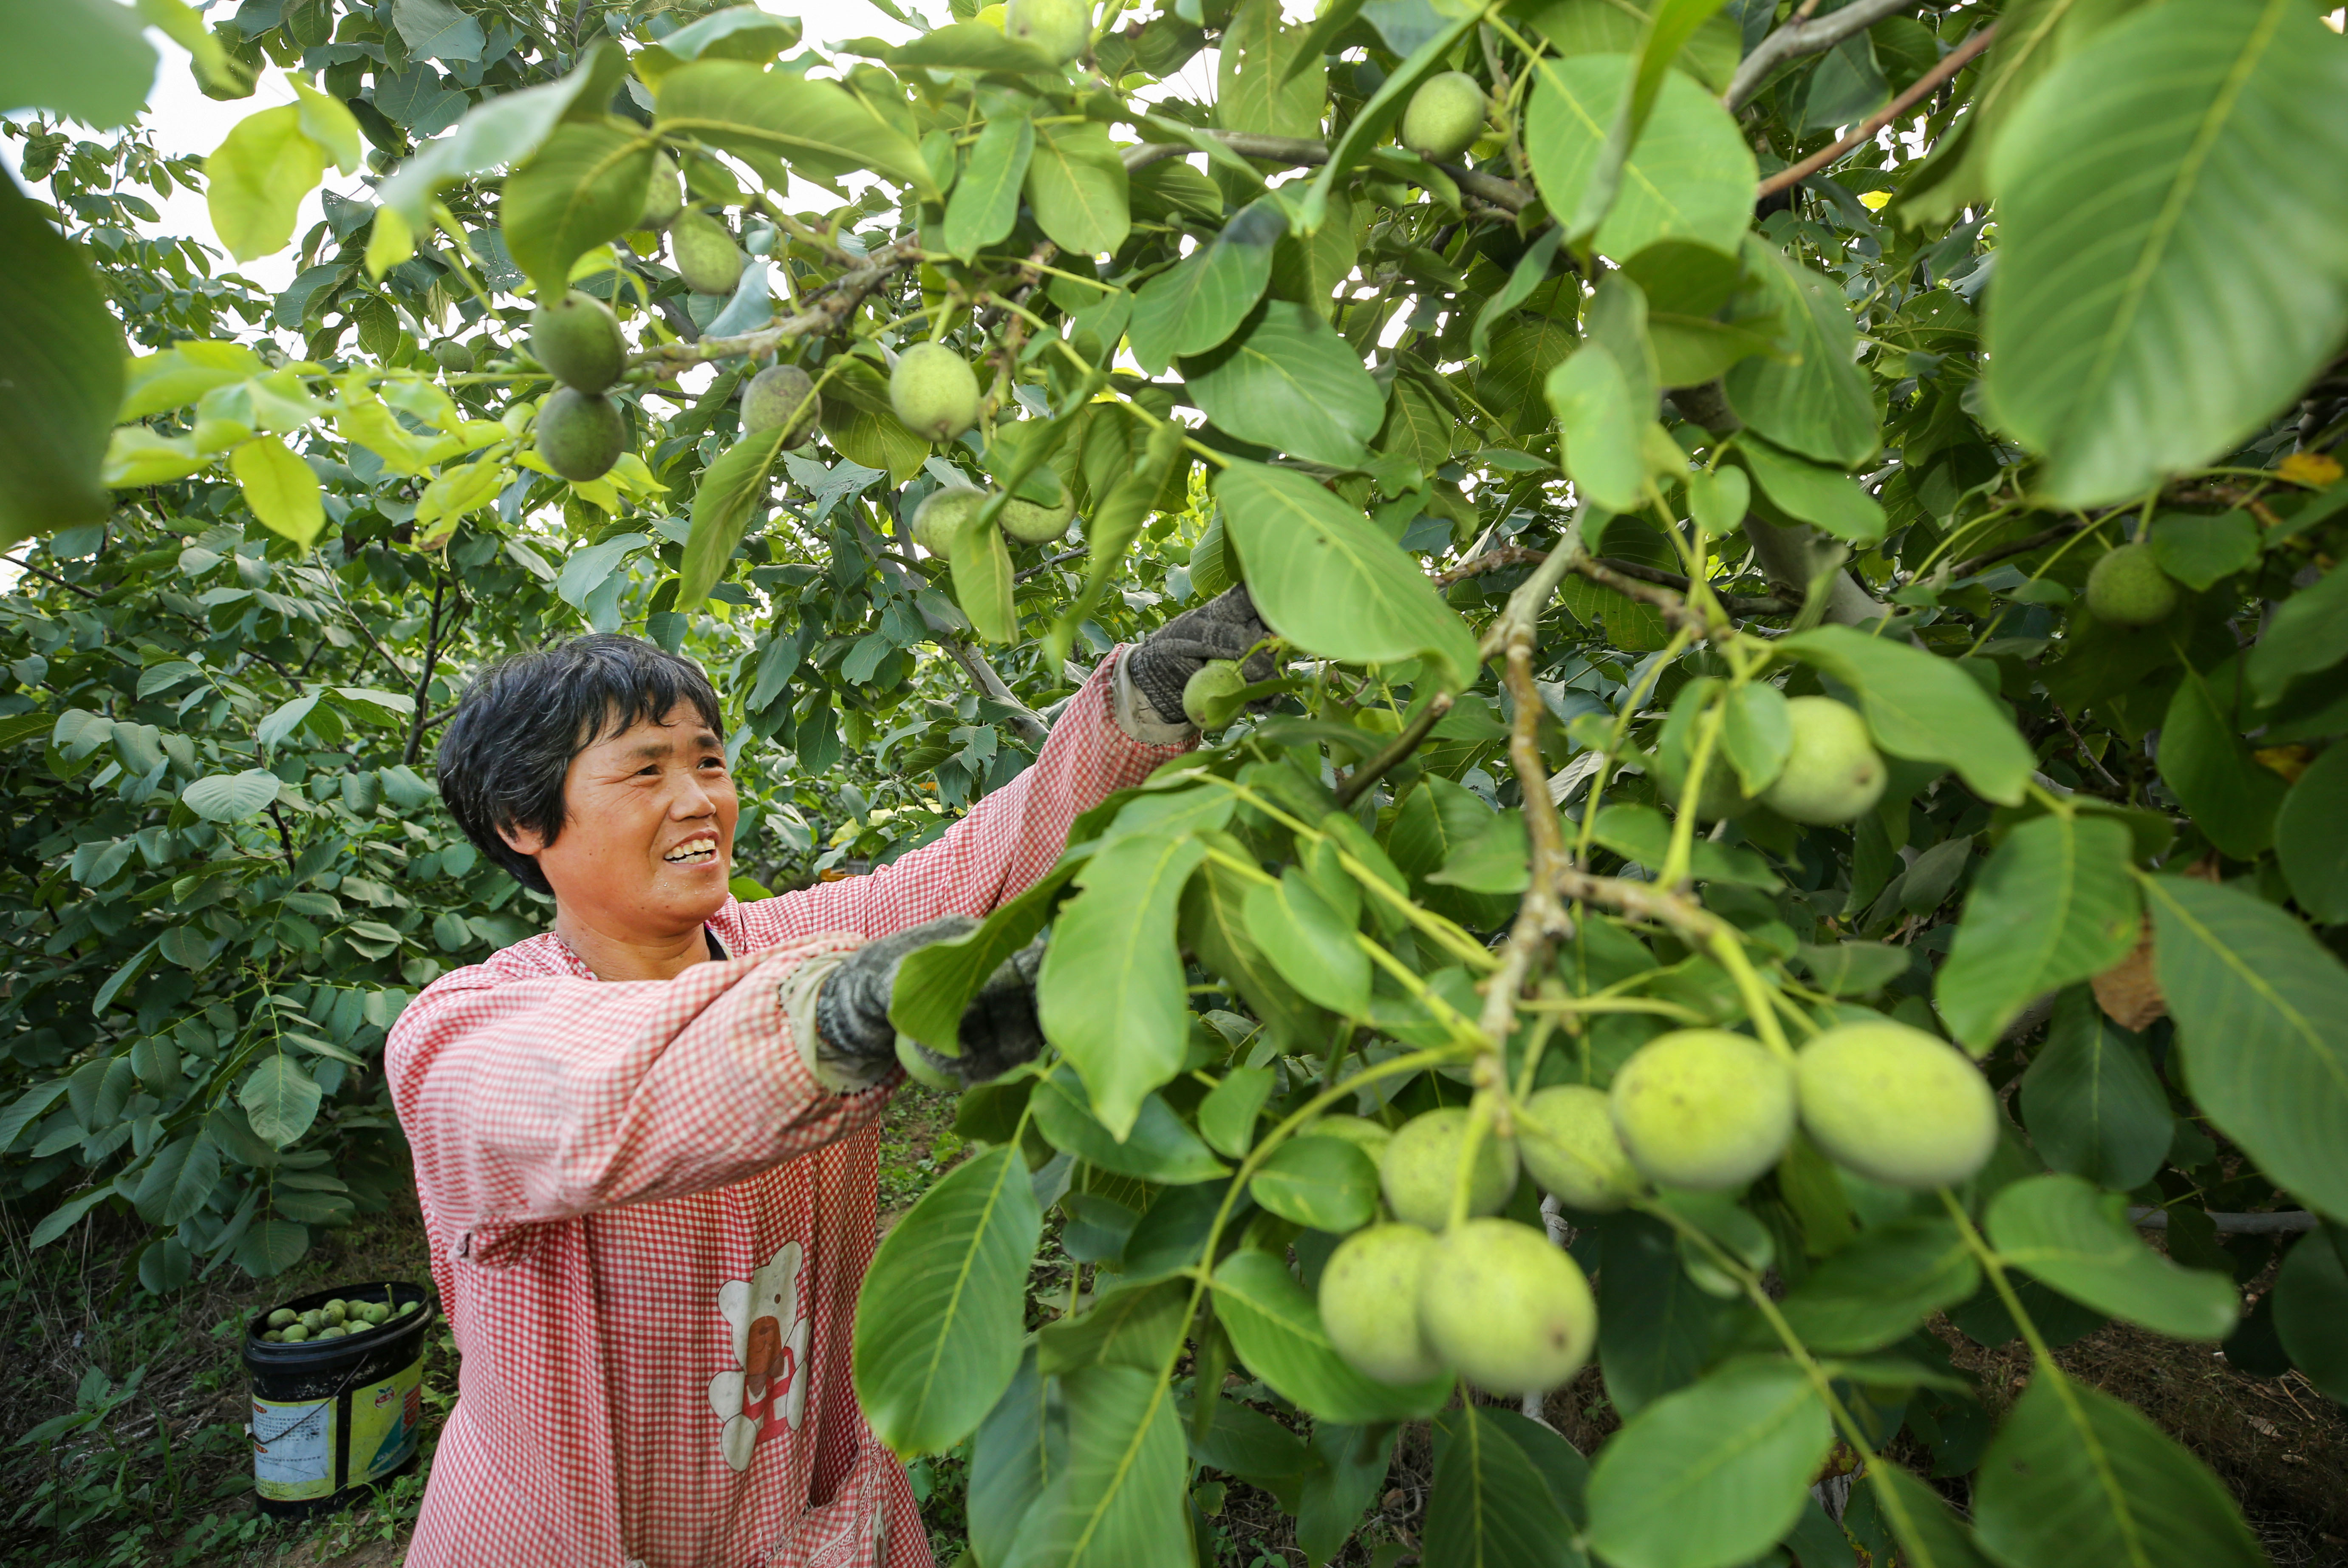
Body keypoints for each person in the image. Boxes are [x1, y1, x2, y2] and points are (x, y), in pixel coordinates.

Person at [385, 589, 1272, 1568]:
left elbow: (984, 865)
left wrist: (1142, 706)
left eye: (708, 762)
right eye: (645, 771)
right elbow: (574, 1081)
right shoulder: (461, 1029)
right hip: (560, 1537)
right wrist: (835, 1016)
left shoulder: (787, 940)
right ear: (522, 821)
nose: (698, 801)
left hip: (813, 1512)